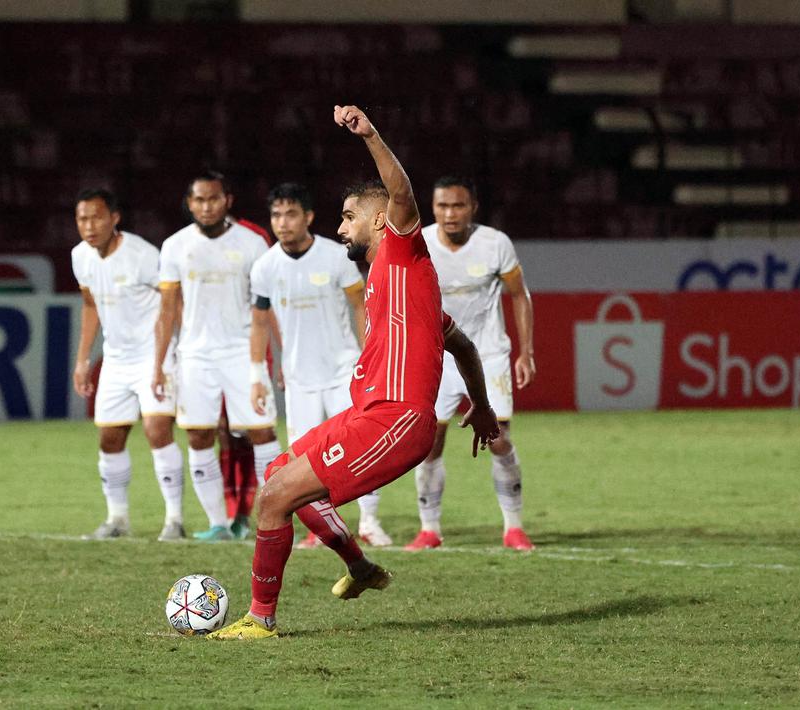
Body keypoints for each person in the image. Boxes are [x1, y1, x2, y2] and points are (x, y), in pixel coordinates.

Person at [209, 106, 500, 640]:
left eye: (347, 216)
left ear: (379, 219)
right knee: (276, 476)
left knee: (272, 502)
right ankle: (361, 568)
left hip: (394, 421)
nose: (339, 225)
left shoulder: (402, 248)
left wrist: (369, 135)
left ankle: (261, 620)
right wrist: (479, 405)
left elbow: (401, 193)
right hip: (367, 414)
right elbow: (464, 348)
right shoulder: (400, 285)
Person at [249, 182, 392, 548]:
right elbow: (262, 320)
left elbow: (363, 306)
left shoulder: (335, 257)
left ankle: (371, 522)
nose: (283, 222)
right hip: (300, 379)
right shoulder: (265, 267)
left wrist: (369, 356)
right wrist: (260, 372)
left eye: (291, 213)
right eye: (276, 215)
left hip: (343, 371)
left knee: (359, 448)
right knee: (305, 459)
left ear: (308, 217)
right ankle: (320, 528)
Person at [404, 177, 537, 552]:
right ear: (433, 208)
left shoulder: (495, 244)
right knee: (428, 443)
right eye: (443, 206)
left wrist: (526, 351)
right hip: (437, 358)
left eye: (458, 206)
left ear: (473, 207)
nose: (450, 214)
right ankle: (429, 529)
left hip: (489, 355)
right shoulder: (421, 243)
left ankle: (513, 526)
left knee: (499, 439)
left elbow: (519, 294)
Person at [153, 171, 282, 541]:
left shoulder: (253, 241)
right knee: (198, 435)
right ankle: (218, 524)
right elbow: (166, 311)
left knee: (261, 432)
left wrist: (278, 355)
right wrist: (160, 365)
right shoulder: (175, 245)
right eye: (198, 200)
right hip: (195, 355)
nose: (206, 207)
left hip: (242, 351)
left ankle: (270, 515)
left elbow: (265, 307)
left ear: (228, 200)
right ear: (189, 203)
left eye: (213, 199)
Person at [71, 188, 185, 542]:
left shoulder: (142, 255)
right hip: (117, 359)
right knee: (109, 436)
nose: (89, 226)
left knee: (156, 430)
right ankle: (117, 519)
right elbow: (91, 306)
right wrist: (82, 359)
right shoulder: (80, 256)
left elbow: (172, 304)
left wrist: (164, 357)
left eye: (96, 217)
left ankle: (174, 521)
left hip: (155, 355)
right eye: (82, 219)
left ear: (114, 218)